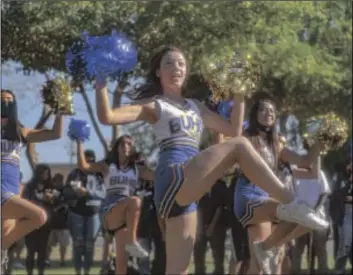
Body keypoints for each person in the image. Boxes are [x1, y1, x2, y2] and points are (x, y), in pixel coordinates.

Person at [94, 46, 328, 274]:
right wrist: (101, 81)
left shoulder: (195, 106)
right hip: (174, 173)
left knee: (178, 269)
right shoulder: (156, 104)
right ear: (158, 72)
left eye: (182, 63)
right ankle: (293, 203)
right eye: (169, 63)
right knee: (240, 147)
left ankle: (293, 207)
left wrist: (239, 93)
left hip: (190, 186)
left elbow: (233, 129)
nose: (177, 67)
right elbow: (108, 117)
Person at [1, 89, 63, 270]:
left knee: (5, 237)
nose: (6, 103)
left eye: (9, 100)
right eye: (2, 100)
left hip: (12, 190)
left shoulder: (20, 131)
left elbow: (55, 134)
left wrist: (60, 110)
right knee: (39, 216)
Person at [75, 135, 154, 275]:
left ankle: (130, 241)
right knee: (135, 201)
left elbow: (157, 175)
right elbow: (84, 166)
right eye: (123, 144)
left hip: (126, 219)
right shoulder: (107, 166)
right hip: (110, 210)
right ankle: (132, 241)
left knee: (121, 267)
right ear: (117, 147)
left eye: (129, 144)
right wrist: (79, 141)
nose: (126, 146)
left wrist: (176, 166)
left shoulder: (137, 169)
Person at [65, 149, 106, 275]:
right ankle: (78, 271)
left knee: (89, 244)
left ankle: (87, 271)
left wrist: (87, 192)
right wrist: (73, 193)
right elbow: (66, 192)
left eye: (90, 159)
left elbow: (104, 193)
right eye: (85, 158)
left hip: (93, 213)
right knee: (77, 243)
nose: (88, 161)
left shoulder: (99, 175)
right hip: (76, 213)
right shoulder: (73, 174)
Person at [22, 164, 54, 275]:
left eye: (47, 173)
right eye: (43, 173)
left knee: (42, 251)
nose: (45, 175)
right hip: (31, 222)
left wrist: (51, 199)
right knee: (31, 251)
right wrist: (39, 202)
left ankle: (41, 272)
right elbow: (24, 202)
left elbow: (55, 203)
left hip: (45, 224)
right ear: (37, 174)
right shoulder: (29, 187)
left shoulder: (50, 187)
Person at [46, 173, 70, 267]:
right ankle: (47, 260)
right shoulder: (50, 191)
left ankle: (62, 261)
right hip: (51, 223)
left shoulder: (66, 191)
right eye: (55, 180)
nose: (57, 183)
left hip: (63, 224)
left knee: (63, 245)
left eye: (59, 180)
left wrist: (58, 206)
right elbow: (47, 203)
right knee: (49, 244)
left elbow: (67, 203)